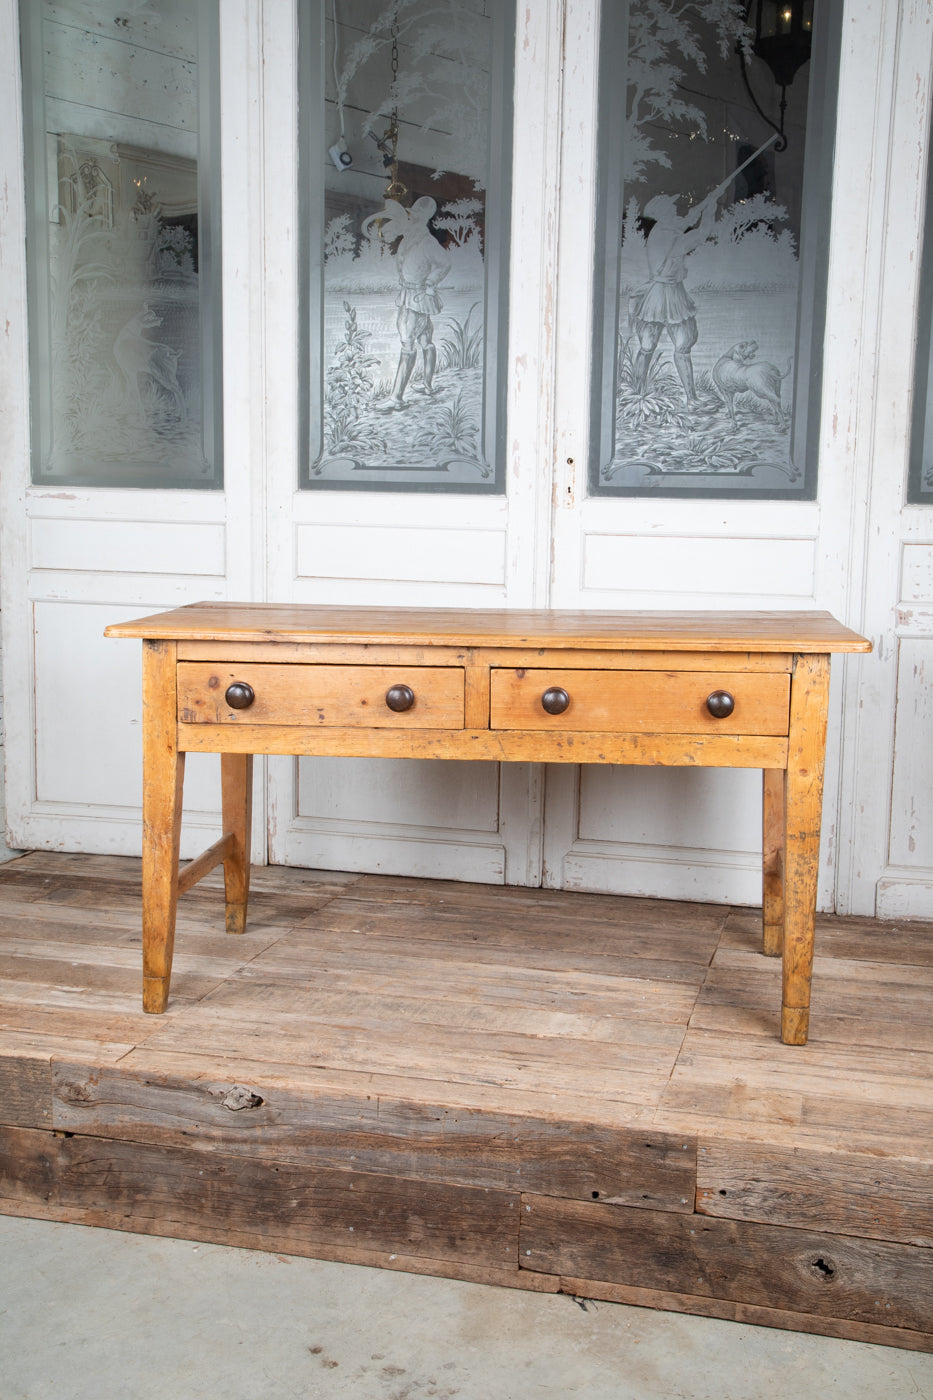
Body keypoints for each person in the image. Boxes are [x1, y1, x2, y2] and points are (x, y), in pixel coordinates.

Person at [360, 196, 450, 412]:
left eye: (416, 215)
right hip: (409, 293)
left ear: (424, 218)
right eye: (412, 214)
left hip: (417, 297)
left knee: (408, 343)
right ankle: (427, 385)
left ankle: (396, 398)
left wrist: (429, 284)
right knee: (426, 339)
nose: (411, 218)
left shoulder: (427, 242)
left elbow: (445, 263)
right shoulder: (410, 237)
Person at [629, 192, 718, 404]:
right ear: (662, 213)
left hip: (666, 291)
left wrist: (705, 202)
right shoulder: (669, 235)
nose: (675, 209)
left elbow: (685, 222)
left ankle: (641, 394)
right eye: (671, 208)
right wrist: (710, 209)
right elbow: (701, 234)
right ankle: (643, 395)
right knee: (663, 346)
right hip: (665, 293)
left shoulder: (664, 229)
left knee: (667, 347)